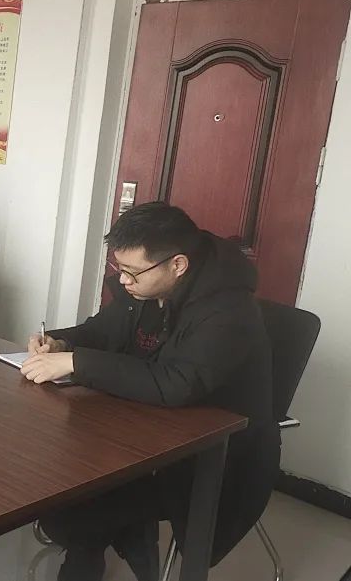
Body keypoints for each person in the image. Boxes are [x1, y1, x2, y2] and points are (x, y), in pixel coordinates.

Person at [20, 202, 278, 581]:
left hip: (210, 456)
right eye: (119, 269)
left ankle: (101, 550)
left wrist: (76, 362)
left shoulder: (228, 310)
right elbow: (101, 332)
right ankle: (115, 543)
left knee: (74, 509)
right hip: (140, 429)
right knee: (58, 479)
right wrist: (60, 343)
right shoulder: (144, 288)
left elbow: (176, 383)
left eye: (132, 272)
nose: (124, 281)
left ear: (178, 265)